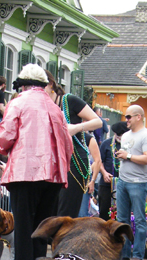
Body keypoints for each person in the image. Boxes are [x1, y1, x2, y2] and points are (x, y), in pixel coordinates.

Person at [0, 64, 72, 260]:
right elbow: (68, 146)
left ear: (22, 84)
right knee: (43, 229)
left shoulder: (17, 103)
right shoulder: (54, 107)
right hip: (53, 176)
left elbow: (4, 139)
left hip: (24, 173)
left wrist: (3, 148)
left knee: (23, 229)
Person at [47, 70, 102, 218]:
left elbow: (97, 121)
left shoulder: (68, 101)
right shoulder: (43, 106)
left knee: (65, 213)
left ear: (50, 85)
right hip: (53, 163)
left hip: (74, 162)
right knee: (50, 212)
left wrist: (76, 128)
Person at [114, 104, 147, 260]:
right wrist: (122, 156)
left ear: (139, 117)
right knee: (121, 219)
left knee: (139, 219)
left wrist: (128, 156)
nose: (126, 120)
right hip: (123, 181)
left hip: (138, 183)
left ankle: (137, 254)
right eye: (126, 117)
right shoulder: (125, 136)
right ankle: (124, 253)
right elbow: (127, 155)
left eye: (129, 117)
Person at [97, 120, 128, 221]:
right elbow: (99, 161)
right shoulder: (106, 144)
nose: (118, 137)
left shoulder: (129, 145)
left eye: (121, 135)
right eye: (117, 135)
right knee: (104, 211)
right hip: (106, 184)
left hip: (123, 183)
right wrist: (104, 173)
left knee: (121, 212)